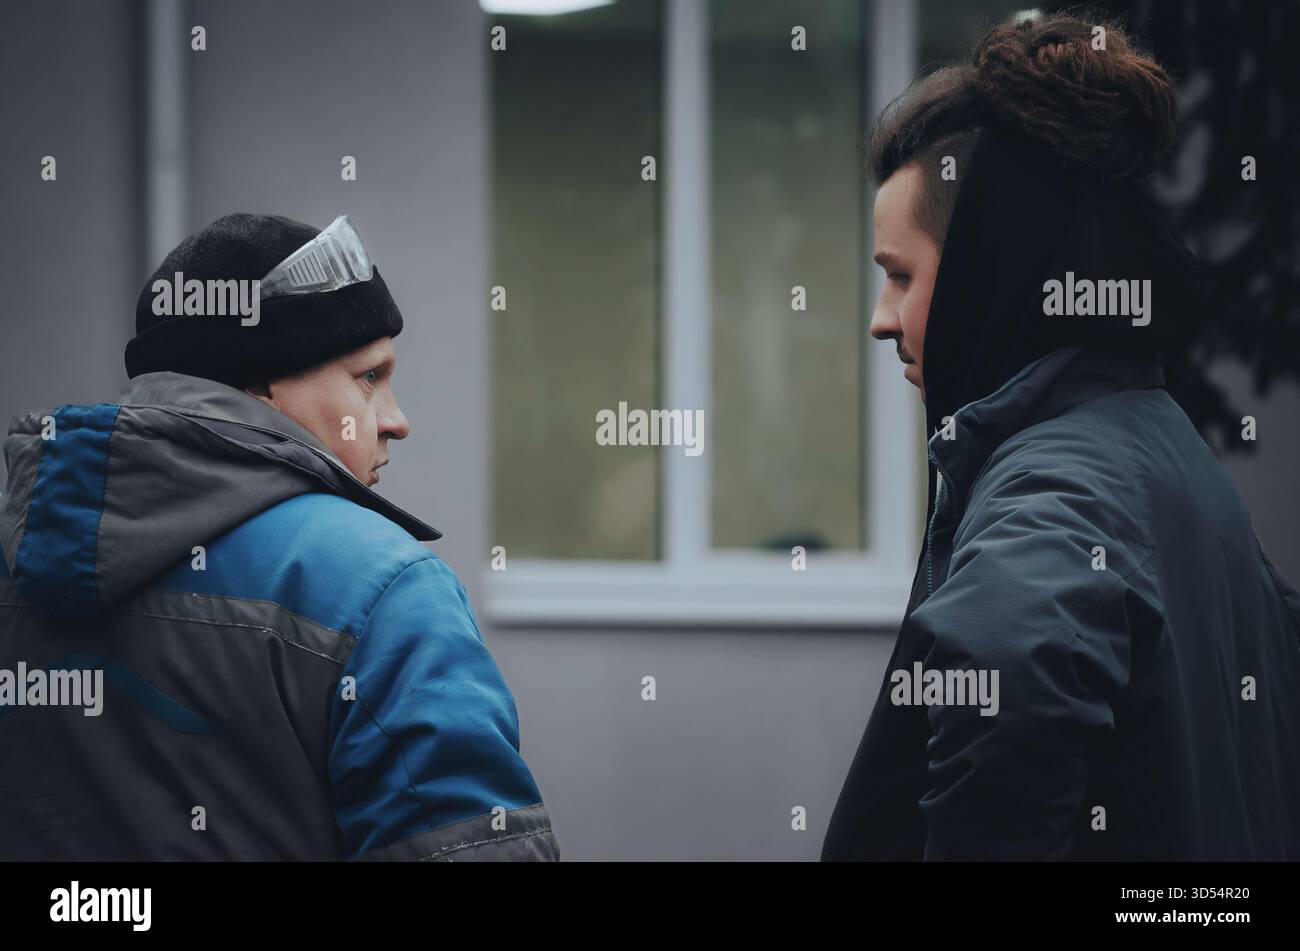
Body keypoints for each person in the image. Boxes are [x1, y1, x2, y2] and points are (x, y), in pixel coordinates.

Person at [822, 13, 1300, 860]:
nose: (879, 320)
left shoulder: (1054, 486)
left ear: (985, 268)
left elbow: (1010, 653)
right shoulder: (1170, 452)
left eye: (901, 276)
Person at [0, 212, 559, 861]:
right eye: (368, 377)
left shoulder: (20, 558)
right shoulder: (385, 591)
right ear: (265, 379)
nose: (396, 420)